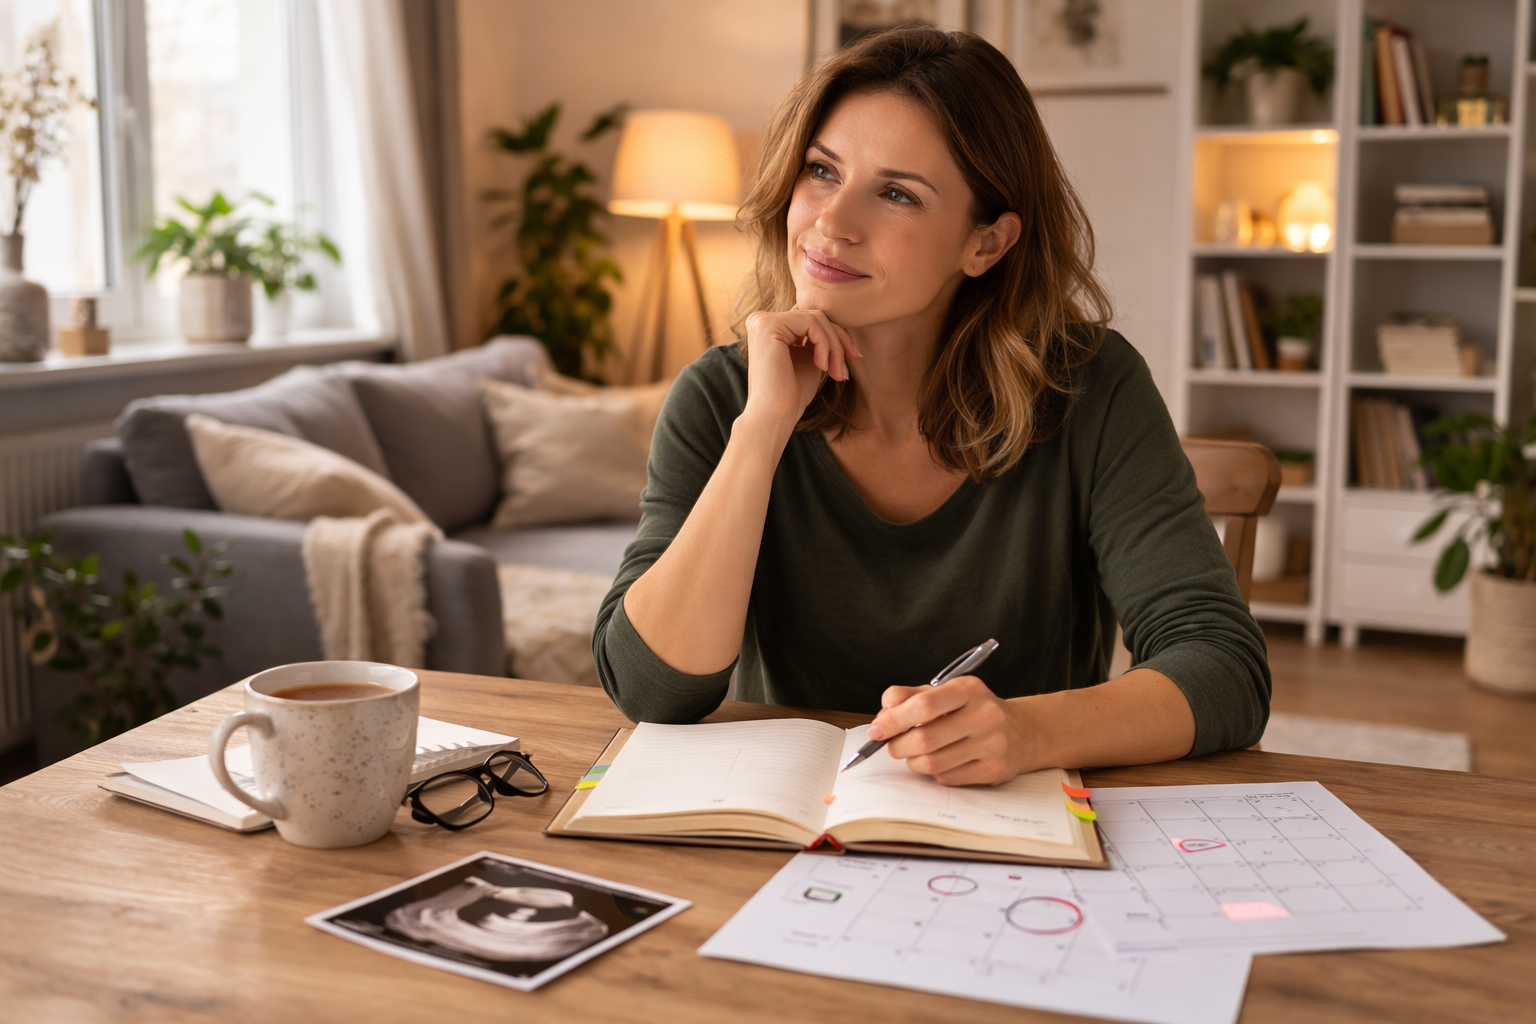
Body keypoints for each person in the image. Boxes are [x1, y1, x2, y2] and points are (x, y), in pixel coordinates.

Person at [593, 26, 1269, 786]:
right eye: (822, 170)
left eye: (897, 194)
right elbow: (650, 691)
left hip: (1015, 821)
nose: (831, 222)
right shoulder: (721, 398)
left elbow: (1223, 668)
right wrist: (762, 430)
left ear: (985, 244)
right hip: (779, 827)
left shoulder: (1092, 386)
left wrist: (1028, 731)